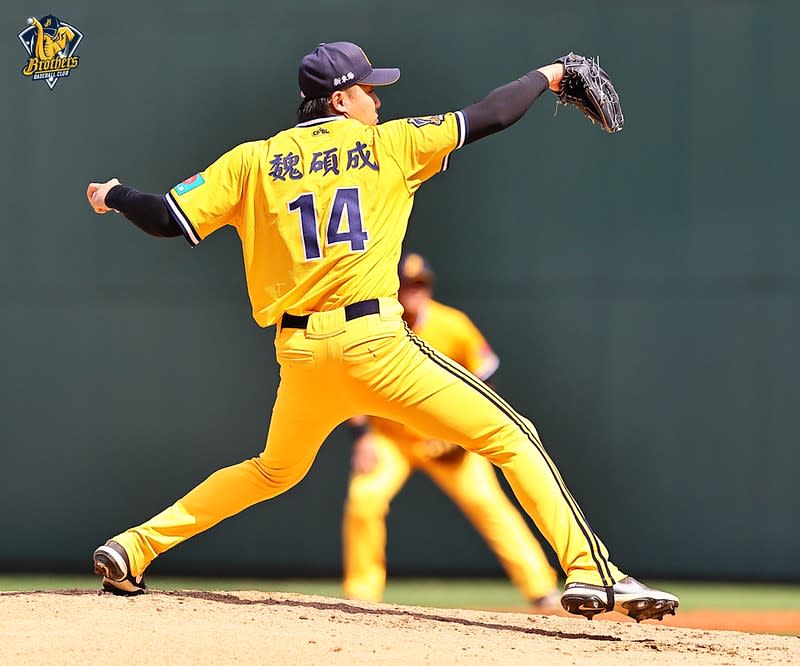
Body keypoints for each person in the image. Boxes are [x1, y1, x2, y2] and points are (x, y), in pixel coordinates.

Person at [86, 41, 679, 621]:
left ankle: (133, 548)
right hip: (377, 346)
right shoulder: (389, 145)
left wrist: (115, 195)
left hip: (302, 356)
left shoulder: (253, 160)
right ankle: (590, 572)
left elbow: (167, 217)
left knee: (271, 471)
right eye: (370, 89)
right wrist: (550, 74)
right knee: (512, 435)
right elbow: (492, 113)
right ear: (341, 99)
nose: (378, 100)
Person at [343, 252, 560, 609]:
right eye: (405, 284)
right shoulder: (376, 328)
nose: (412, 291)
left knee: (488, 503)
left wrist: (465, 431)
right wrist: (361, 437)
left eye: (419, 284)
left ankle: (540, 587)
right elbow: (351, 385)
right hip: (391, 438)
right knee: (364, 500)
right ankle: (361, 595)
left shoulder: (452, 324)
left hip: (447, 438)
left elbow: (486, 374)